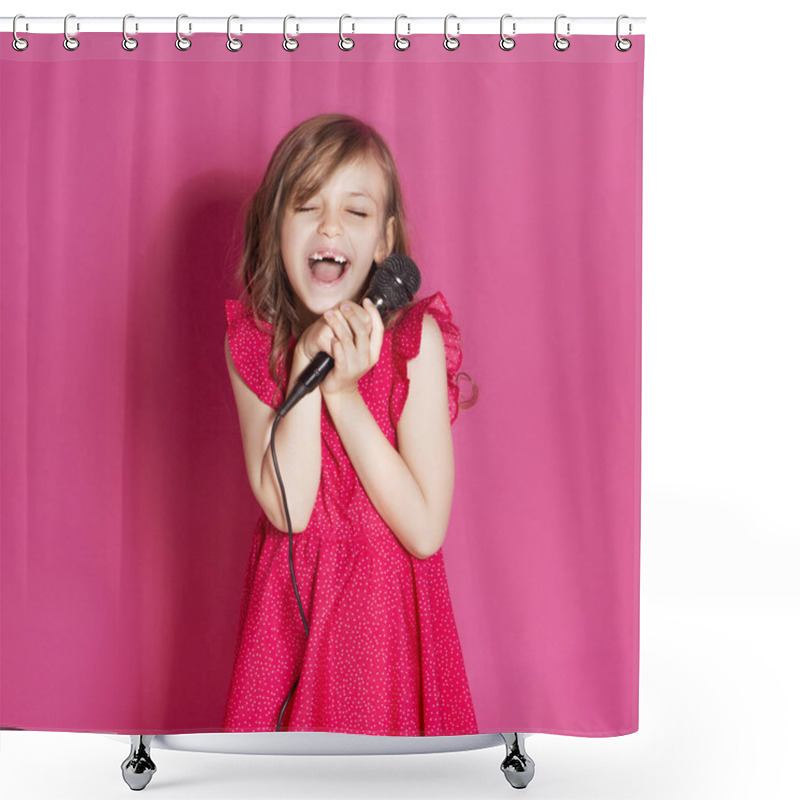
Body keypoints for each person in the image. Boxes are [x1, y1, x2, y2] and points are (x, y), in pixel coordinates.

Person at [221, 112, 479, 736]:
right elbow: (292, 508)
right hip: (289, 623)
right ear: (275, 227)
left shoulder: (413, 339)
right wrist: (308, 367)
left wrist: (344, 394)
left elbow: (423, 529)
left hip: (386, 627)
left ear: (384, 243)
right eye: (308, 205)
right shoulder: (254, 346)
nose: (330, 225)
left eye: (355, 213)